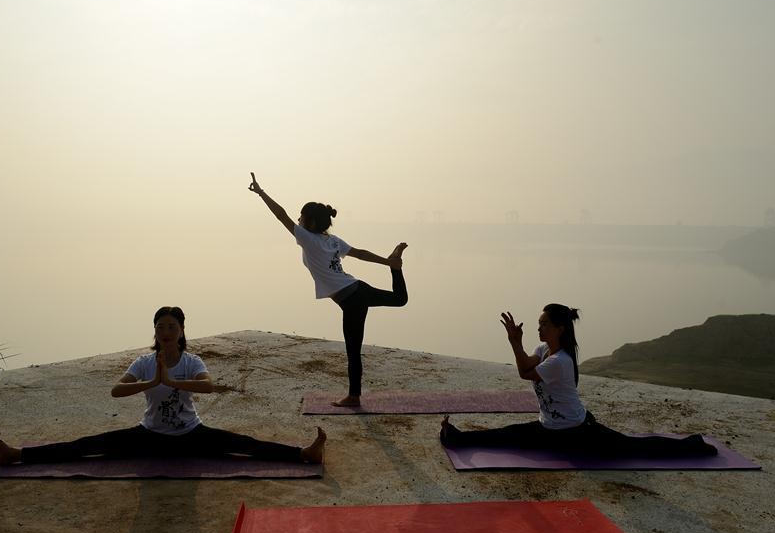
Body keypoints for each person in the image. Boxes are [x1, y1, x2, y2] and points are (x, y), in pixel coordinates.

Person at [0, 306, 325, 465]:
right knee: (87, 445)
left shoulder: (192, 362)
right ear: (155, 331)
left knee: (245, 444)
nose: (166, 331)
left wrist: (174, 380)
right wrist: (154, 380)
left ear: (181, 331)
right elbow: (115, 391)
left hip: (190, 435)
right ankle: (17, 454)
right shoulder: (144, 363)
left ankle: (303, 453)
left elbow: (207, 387)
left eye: (172, 326)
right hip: (148, 435)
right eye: (160, 326)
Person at [441, 303, 717, 457]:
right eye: (539, 323)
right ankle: (458, 437)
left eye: (544, 323)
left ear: (559, 328)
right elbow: (526, 365)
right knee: (507, 435)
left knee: (634, 447)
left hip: (577, 431)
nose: (539, 327)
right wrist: (516, 341)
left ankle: (692, 445)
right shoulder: (544, 351)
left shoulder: (559, 361)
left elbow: (525, 373)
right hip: (549, 428)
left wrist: (515, 343)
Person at [248, 172, 408, 407]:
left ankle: (354, 397)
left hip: (352, 299)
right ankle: (396, 267)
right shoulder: (332, 241)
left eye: (301, 218)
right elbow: (360, 254)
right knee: (399, 299)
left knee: (353, 350)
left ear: (310, 223)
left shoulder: (308, 239)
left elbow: (281, 215)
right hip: (357, 289)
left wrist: (261, 193)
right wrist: (388, 263)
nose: (298, 221)